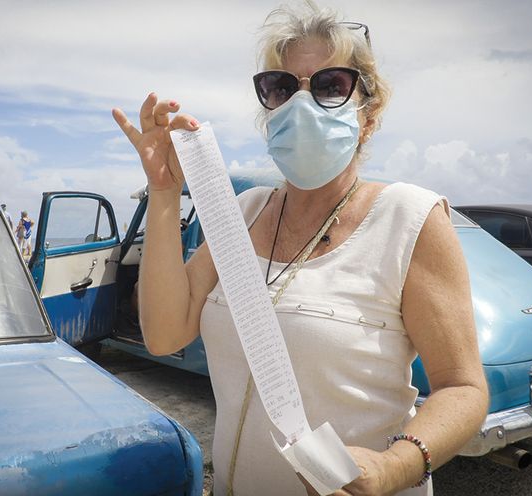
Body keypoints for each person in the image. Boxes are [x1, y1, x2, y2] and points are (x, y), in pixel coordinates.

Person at [112, 2, 488, 495]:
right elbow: (164, 335)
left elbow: (463, 388)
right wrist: (164, 192)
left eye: (331, 85)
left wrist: (394, 467)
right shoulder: (243, 213)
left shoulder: (409, 219)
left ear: (369, 114)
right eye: (282, 87)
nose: (301, 103)